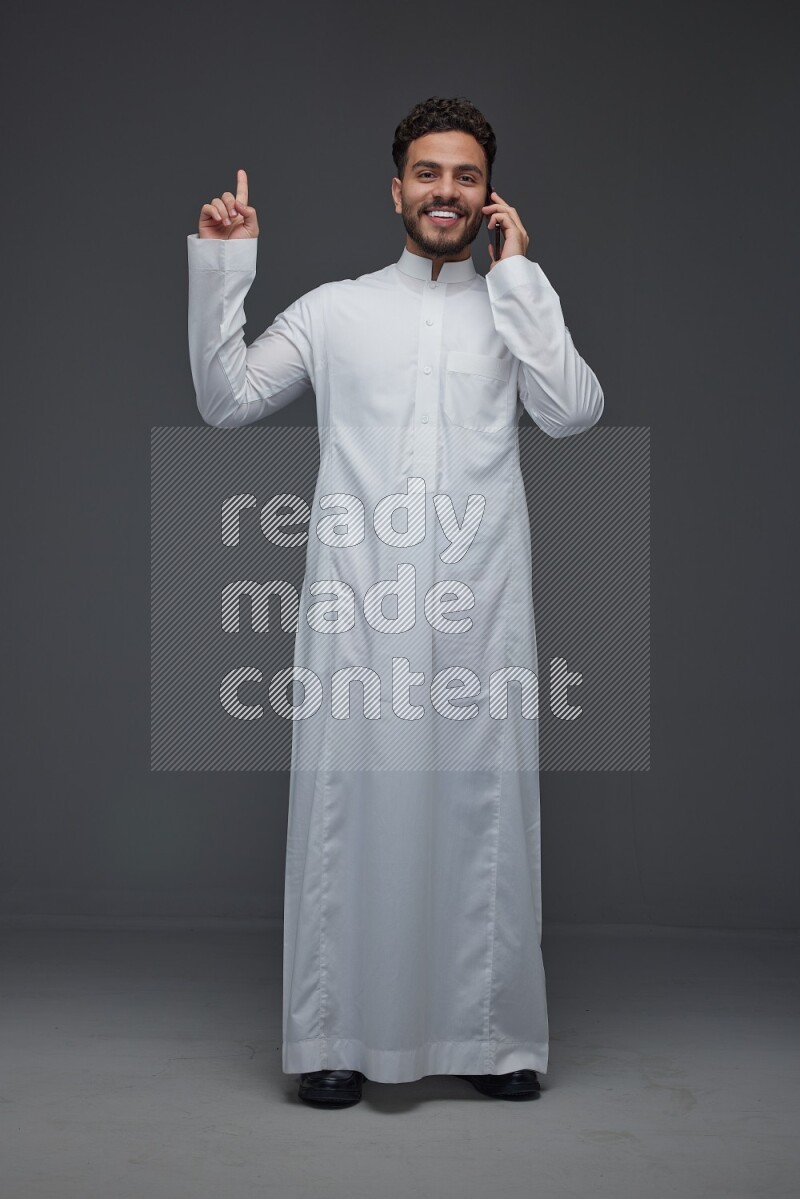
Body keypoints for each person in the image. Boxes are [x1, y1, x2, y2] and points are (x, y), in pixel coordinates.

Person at [187, 96, 604, 1108]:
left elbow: (572, 410)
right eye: (427, 173)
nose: (445, 192)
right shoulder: (337, 310)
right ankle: (333, 1036)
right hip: (358, 606)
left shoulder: (509, 305)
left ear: (488, 194)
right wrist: (221, 269)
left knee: (482, 809)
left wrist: (520, 279)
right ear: (396, 189)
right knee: (349, 809)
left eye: (464, 176)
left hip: (480, 604)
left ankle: (494, 1036)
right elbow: (226, 395)